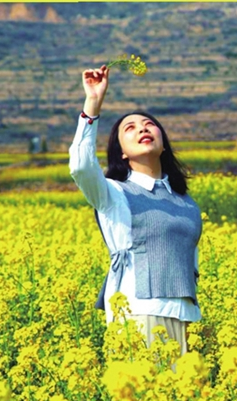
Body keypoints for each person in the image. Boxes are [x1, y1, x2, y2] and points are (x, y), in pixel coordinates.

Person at [69, 64, 202, 371]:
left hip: (187, 318)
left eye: (149, 125)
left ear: (163, 142)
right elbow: (80, 167)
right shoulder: (113, 194)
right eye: (130, 128)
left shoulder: (186, 203)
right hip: (138, 315)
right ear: (122, 153)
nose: (143, 129)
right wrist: (93, 104)